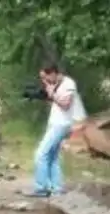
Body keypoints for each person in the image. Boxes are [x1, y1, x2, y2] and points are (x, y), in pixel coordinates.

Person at [24, 63, 87, 197]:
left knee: (40, 154)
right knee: (52, 157)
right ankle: (56, 189)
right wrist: (43, 96)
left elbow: (65, 104)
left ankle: (41, 188)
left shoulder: (68, 83)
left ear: (53, 73)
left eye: (45, 77)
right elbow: (56, 102)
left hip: (61, 125)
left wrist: (52, 94)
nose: (44, 81)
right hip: (56, 123)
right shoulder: (57, 84)